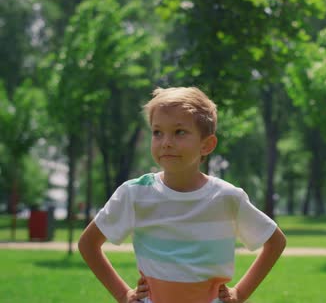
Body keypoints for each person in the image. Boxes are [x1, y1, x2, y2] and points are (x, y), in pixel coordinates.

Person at [78, 86, 287, 303]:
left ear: (207, 145)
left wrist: (240, 293)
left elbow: (275, 242)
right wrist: (123, 294)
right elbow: (88, 244)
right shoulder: (134, 194)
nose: (166, 142)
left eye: (179, 132)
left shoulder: (226, 197)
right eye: (157, 132)